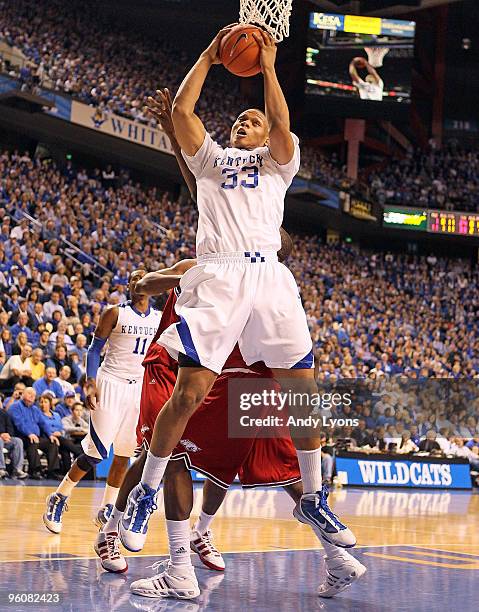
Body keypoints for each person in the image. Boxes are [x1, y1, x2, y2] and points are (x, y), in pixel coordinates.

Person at [123, 58, 357, 597]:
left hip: (268, 275)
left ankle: (316, 501)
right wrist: (210, 55)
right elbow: (184, 110)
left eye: (251, 120)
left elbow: (280, 120)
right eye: (238, 119)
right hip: (221, 272)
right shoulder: (212, 162)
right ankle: (145, 496)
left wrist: (269, 67)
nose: (243, 122)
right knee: (187, 394)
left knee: (305, 399)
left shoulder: (278, 164)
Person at [42, 270, 161, 534]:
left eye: (140, 278)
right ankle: (59, 497)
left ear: (151, 286)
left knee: (124, 455)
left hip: (138, 388)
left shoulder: (159, 319)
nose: (135, 283)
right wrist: (91, 382)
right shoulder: (114, 312)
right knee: (96, 452)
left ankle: (107, 508)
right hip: (110, 383)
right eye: (131, 279)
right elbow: (94, 350)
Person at [9, 387, 61, 479]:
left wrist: (50, 435)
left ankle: (52, 472)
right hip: (22, 437)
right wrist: (29, 434)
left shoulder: (35, 409)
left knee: (52, 444)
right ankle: (35, 471)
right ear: (23, 394)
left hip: (35, 436)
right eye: (29, 394)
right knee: (32, 443)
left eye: (33, 395)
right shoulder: (15, 407)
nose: (32, 397)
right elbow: (19, 423)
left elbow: (43, 423)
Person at [38, 393, 82, 473]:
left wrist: (59, 432)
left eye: (45, 402)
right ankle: (80, 454)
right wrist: (52, 433)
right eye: (41, 402)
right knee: (64, 443)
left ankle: (67, 472)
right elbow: (42, 427)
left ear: (50, 403)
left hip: (59, 436)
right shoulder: (38, 415)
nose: (43, 404)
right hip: (46, 437)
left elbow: (61, 427)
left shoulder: (56, 415)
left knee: (65, 449)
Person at [0, 407, 28, 479]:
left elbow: (10, 427)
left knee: (18, 441)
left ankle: (17, 470)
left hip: (5, 439)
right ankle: (1, 469)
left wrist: (8, 435)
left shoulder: (4, 413)